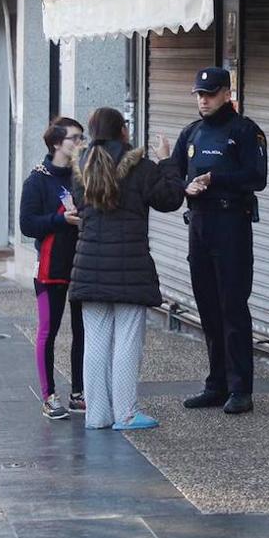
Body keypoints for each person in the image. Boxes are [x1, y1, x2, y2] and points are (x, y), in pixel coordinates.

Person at [69, 107, 183, 431]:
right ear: (123, 132)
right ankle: (127, 413)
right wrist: (167, 161)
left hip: (89, 266)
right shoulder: (142, 168)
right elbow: (170, 198)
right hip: (130, 267)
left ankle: (97, 415)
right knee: (128, 342)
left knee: (95, 343)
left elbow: (80, 206)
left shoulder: (80, 168)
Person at [170, 67, 267, 416]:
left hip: (232, 224)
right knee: (207, 306)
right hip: (199, 224)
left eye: (210, 94)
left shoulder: (244, 130)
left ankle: (241, 388)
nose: (203, 100)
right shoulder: (191, 132)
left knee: (233, 307)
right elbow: (174, 174)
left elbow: (258, 177)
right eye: (199, 94)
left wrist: (216, 178)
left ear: (227, 92)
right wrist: (185, 187)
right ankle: (217, 383)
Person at [19, 116, 86, 421]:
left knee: (82, 330)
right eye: (75, 138)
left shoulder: (81, 175)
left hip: (82, 261)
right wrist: (60, 220)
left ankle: (79, 393)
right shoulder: (37, 179)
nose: (80, 143)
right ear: (57, 143)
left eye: (82, 137)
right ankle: (49, 396)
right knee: (49, 330)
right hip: (49, 266)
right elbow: (27, 225)